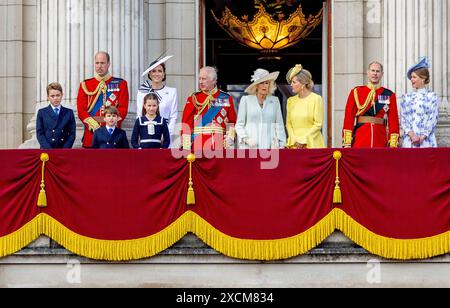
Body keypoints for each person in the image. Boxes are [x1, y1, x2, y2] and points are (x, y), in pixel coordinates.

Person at [77, 51, 129, 148]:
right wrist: (94, 125)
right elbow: (81, 110)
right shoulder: (85, 85)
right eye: (97, 63)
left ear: (108, 64)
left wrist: (109, 125)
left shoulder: (121, 84)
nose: (99, 66)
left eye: (102, 63)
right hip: (91, 136)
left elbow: (123, 109)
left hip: (113, 138)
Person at [342, 61, 400, 148]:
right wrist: (347, 143)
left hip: (380, 139)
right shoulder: (356, 92)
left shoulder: (389, 94)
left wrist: (393, 144)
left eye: (378, 71)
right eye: (373, 71)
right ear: (368, 72)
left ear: (382, 74)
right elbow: (348, 118)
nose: (375, 74)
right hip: (361, 138)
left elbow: (393, 121)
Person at [181, 66, 237, 152]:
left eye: (204, 79)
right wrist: (186, 147)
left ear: (213, 80)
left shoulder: (225, 97)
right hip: (198, 145)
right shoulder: (194, 98)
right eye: (199, 78)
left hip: (220, 145)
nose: (200, 82)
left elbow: (231, 122)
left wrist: (229, 140)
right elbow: (186, 123)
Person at [235, 69, 286, 149]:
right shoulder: (246, 100)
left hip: (270, 147)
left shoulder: (275, 100)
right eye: (261, 83)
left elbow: (279, 125)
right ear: (256, 85)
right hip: (249, 147)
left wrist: (282, 145)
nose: (264, 86)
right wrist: (246, 139)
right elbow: (239, 125)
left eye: (267, 83)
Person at [137, 55, 178, 146]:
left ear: (164, 74)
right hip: (146, 135)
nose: (157, 74)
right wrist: (142, 134)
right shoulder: (142, 92)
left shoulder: (172, 92)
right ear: (149, 74)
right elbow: (139, 115)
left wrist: (166, 134)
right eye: (154, 71)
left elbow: (173, 116)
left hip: (165, 135)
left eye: (160, 71)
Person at [401, 57, 439, 148]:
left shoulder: (432, 96)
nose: (411, 80)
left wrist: (423, 136)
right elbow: (403, 118)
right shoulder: (406, 97)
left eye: (414, 77)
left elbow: (433, 118)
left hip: (427, 141)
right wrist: (412, 135)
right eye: (411, 77)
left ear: (423, 78)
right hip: (409, 141)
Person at [285, 65, 325, 149]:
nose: (291, 85)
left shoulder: (316, 99)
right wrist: (294, 140)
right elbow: (288, 124)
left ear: (303, 83)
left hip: (312, 144)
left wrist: (303, 140)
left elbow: (318, 123)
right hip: (294, 146)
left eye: (294, 82)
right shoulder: (290, 101)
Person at [36, 82, 76, 149]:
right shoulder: (42, 112)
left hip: (63, 150)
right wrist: (48, 149)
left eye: (58, 95)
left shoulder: (69, 113)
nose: (55, 98)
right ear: (48, 97)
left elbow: (72, 134)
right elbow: (40, 133)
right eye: (52, 96)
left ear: (62, 95)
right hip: (47, 150)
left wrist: (65, 149)